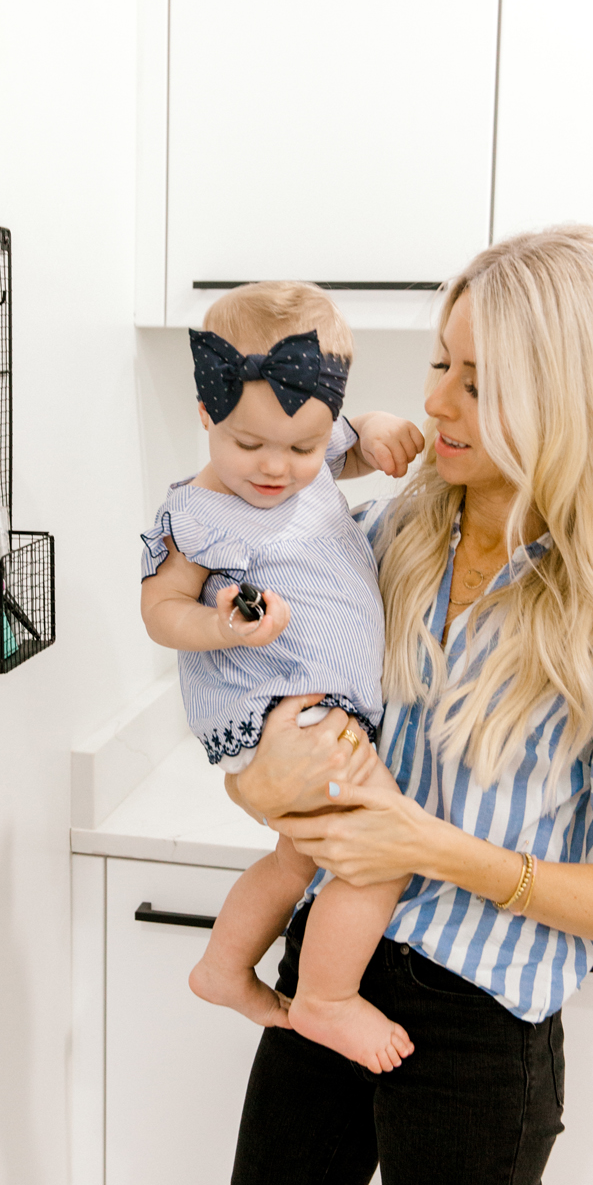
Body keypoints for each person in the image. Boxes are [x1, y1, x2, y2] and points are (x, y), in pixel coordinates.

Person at [201, 227, 593, 1185]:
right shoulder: (386, 532)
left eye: (479, 383)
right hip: (330, 966)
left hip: (481, 1027)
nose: (436, 399)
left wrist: (432, 847)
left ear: (569, 402)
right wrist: (255, 781)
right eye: (442, 363)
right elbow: (253, 699)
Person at [140, 281, 424, 1072]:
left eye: (303, 447)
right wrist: (222, 624)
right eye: (249, 444)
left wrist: (380, 429)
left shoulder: (311, 455)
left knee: (297, 858)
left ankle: (223, 965)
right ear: (207, 413)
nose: (276, 467)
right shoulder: (197, 514)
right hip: (287, 710)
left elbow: (352, 447)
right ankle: (326, 996)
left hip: (318, 708)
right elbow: (160, 608)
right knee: (383, 849)